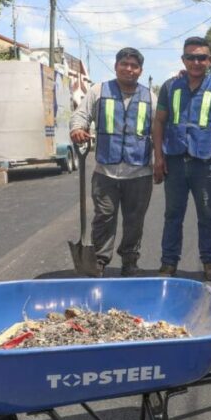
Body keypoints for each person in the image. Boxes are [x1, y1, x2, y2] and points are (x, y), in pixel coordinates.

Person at [152, 36, 211, 281]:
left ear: (210, 60)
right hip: (175, 161)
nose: (196, 62)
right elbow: (159, 121)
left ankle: (210, 261)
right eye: (191, 57)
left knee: (207, 215)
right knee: (172, 215)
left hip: (206, 162)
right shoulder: (170, 87)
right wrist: (158, 157)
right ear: (183, 59)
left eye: (202, 57)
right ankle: (169, 263)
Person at [69, 47, 156, 277]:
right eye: (124, 64)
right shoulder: (99, 91)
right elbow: (80, 114)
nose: (129, 69)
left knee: (134, 222)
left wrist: (162, 162)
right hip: (105, 172)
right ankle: (99, 260)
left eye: (134, 66)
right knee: (104, 217)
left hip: (139, 173)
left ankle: (129, 261)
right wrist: (77, 128)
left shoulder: (149, 97)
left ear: (140, 70)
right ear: (116, 66)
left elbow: (159, 129)